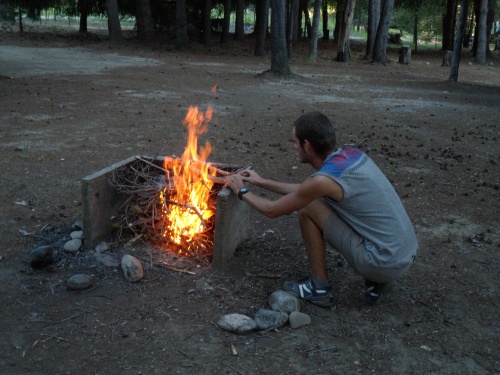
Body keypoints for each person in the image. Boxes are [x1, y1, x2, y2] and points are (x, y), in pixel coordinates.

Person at [226, 111, 418, 307]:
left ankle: (319, 289)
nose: (294, 146)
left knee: (309, 207)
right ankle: (378, 282)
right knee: (314, 201)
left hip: (381, 261)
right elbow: (305, 191)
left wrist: (241, 191)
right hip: (404, 254)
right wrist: (260, 181)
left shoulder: (322, 181)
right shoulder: (351, 156)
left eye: (295, 141)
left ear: (307, 145)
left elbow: (272, 210)